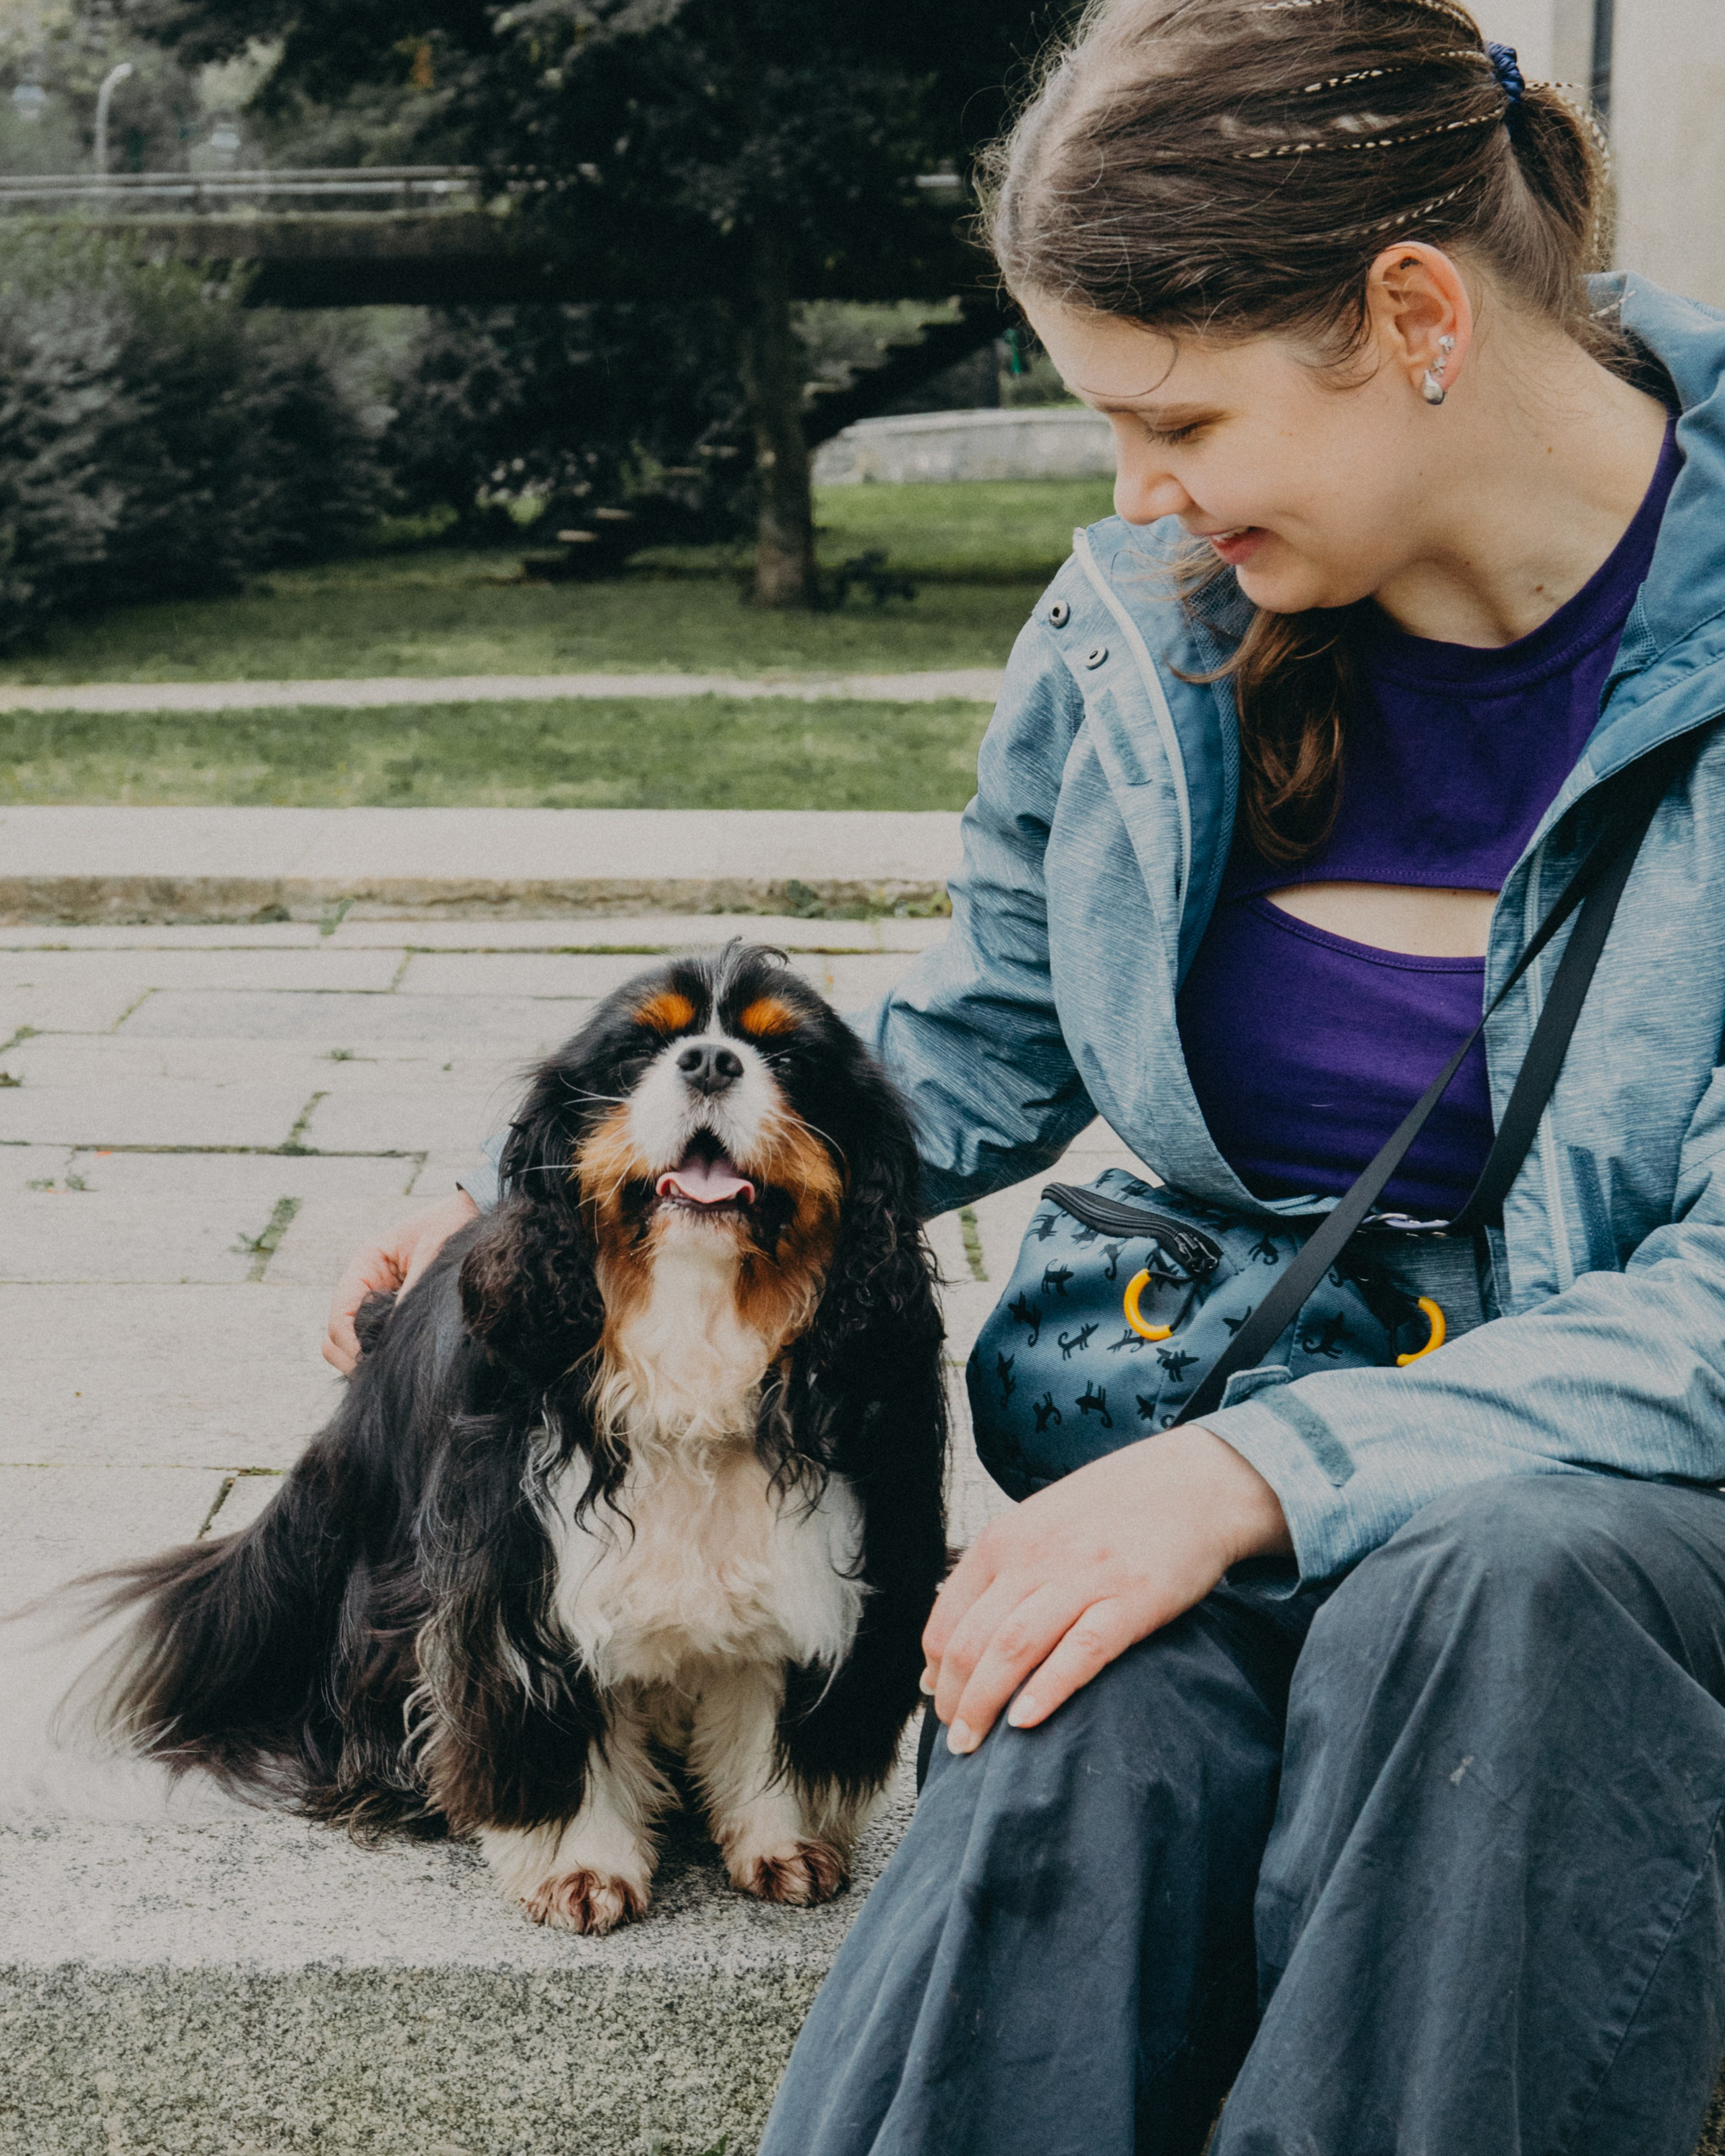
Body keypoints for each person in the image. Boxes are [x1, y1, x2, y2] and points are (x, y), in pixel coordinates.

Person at [323, 1, 1725, 2147]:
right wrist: (572, 1178)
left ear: (1417, 314)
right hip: (1211, 1422)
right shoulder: (1147, 631)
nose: (1135, 497)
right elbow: (966, 1050)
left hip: (1614, 1523)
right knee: (1091, 1685)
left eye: (1173, 418)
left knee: (1488, 1593)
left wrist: (1262, 1476)